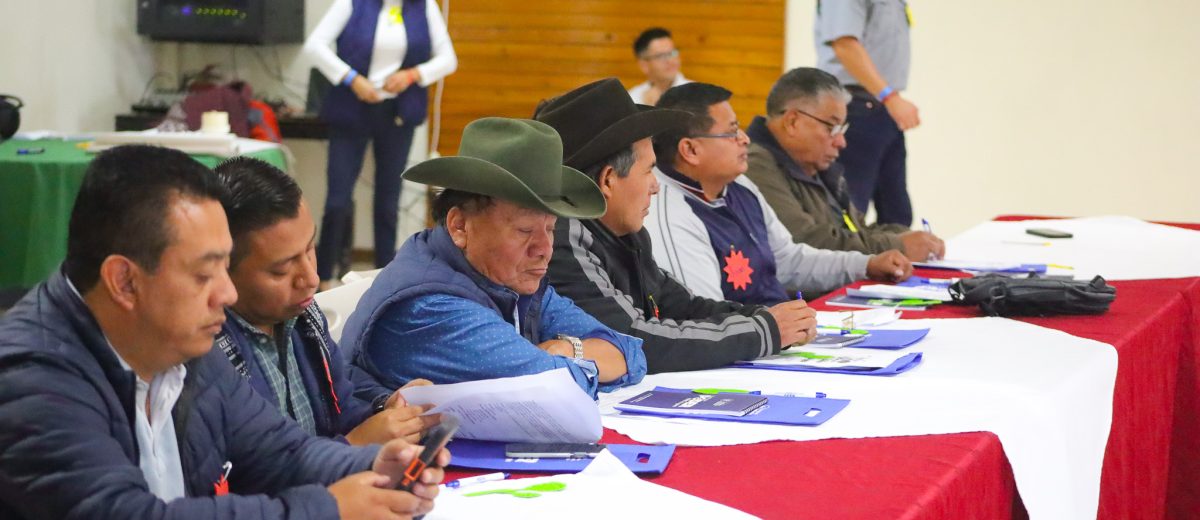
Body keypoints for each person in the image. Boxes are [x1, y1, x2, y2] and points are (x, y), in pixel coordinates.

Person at [0, 145, 446, 519]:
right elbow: (128, 514)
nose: (227, 293)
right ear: (124, 281)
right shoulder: (34, 379)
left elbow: (283, 453)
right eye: (204, 275)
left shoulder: (183, 346)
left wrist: (375, 464)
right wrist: (326, 509)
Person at [341, 118, 647, 398]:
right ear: (459, 226)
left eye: (551, 229)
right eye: (525, 230)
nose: (545, 249)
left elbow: (630, 353)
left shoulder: (507, 278)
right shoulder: (429, 308)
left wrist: (568, 349)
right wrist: (581, 360)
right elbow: (552, 387)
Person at [534, 78, 819, 374]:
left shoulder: (627, 233)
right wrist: (764, 331)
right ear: (608, 180)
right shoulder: (562, 238)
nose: (656, 186)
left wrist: (765, 316)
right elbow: (633, 340)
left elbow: (684, 306)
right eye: (648, 171)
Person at [213, 157, 439, 445]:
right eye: (281, 269)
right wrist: (353, 445)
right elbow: (253, 466)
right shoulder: (208, 353)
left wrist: (386, 411)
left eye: (310, 249)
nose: (311, 278)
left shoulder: (303, 317)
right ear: (222, 270)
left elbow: (342, 409)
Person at [646, 83, 912, 305]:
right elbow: (705, 319)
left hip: (776, 331)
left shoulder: (741, 186)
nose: (744, 139)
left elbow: (787, 260)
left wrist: (866, 265)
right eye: (731, 132)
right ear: (690, 150)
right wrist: (778, 326)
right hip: (751, 343)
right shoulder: (672, 215)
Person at [304, 0, 458, 285]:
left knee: (388, 202)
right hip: (351, 108)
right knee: (337, 200)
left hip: (397, 113)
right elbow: (314, 46)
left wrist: (412, 75)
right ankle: (323, 276)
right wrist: (351, 78)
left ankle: (386, 277)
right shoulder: (352, 3)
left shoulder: (424, 6)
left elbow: (448, 59)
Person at [743, 67, 944, 261]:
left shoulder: (816, 167)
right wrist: (897, 246)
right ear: (792, 122)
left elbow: (855, 230)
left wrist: (908, 237)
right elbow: (804, 243)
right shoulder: (754, 166)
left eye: (842, 129)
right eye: (831, 127)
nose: (841, 142)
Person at [816, 0, 919, 226]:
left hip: (883, 109)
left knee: (897, 213)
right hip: (853, 108)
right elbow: (844, 45)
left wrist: (889, 99)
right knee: (849, 212)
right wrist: (889, 97)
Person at [627, 27, 690, 106]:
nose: (670, 60)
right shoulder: (633, 98)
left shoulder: (696, 93)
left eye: (672, 53)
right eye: (661, 56)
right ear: (644, 65)